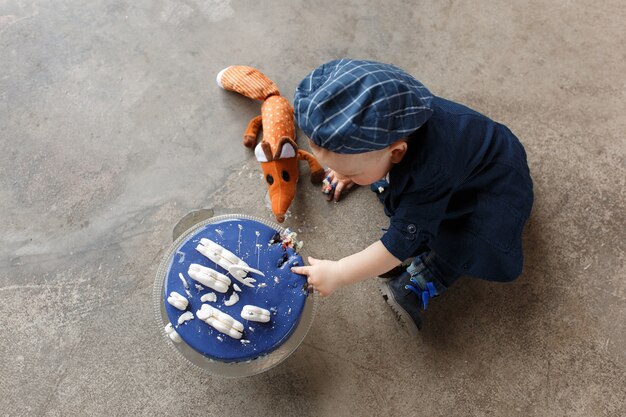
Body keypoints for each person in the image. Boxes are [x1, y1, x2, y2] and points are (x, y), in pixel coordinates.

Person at [289, 59, 533, 334]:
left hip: (489, 194)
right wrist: (350, 168)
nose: (337, 173)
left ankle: (425, 276)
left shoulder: (430, 172)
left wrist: (340, 273)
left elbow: (397, 245)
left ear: (396, 153)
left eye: (352, 171)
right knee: (394, 194)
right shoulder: (398, 111)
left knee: (454, 239)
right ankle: (369, 174)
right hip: (463, 164)